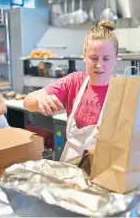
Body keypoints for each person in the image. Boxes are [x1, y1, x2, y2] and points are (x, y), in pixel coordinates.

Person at [24, 21, 118, 162]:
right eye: (93, 58)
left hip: (105, 165)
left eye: (106, 58)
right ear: (84, 56)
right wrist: (40, 98)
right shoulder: (74, 81)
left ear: (115, 58)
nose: (100, 65)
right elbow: (28, 102)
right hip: (72, 164)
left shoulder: (122, 91)